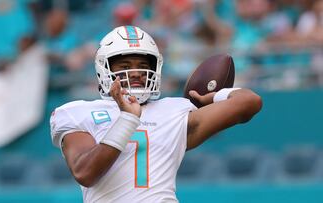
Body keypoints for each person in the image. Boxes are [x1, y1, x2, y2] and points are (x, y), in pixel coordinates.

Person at [50, 26, 262, 203]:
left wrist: (213, 97)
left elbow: (249, 102)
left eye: (143, 66)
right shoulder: (77, 111)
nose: (136, 72)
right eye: (125, 65)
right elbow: (85, 172)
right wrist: (128, 118)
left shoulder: (174, 110)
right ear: (104, 69)